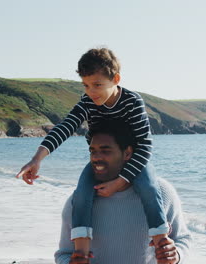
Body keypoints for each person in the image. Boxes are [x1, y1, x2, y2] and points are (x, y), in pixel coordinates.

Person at [16, 47, 169, 258]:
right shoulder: (88, 102)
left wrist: (121, 181)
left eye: (97, 85)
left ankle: (162, 244)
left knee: (150, 187)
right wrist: (36, 160)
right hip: (102, 162)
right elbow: (65, 127)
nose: (91, 92)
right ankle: (81, 253)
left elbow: (145, 146)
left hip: (134, 160)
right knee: (82, 194)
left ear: (115, 79)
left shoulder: (132, 102)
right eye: (86, 85)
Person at [54, 120, 191, 264]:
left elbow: (183, 239)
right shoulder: (78, 202)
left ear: (127, 153)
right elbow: (63, 254)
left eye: (105, 151)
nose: (95, 157)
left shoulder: (162, 192)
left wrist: (176, 255)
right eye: (92, 151)